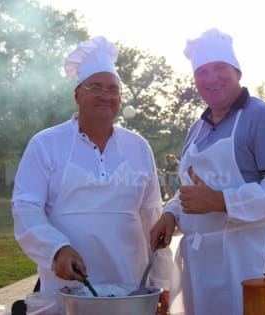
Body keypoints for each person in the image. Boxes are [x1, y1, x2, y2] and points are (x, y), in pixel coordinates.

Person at [11, 36, 172, 314]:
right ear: (77, 94)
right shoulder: (46, 144)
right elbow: (25, 208)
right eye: (95, 87)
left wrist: (162, 284)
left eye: (113, 89)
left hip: (131, 290)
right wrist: (57, 249)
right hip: (68, 291)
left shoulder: (139, 147)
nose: (105, 95)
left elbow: (152, 218)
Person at [150, 28, 265, 315]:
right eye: (202, 72)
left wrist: (220, 201)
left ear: (238, 71)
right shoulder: (197, 128)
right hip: (199, 261)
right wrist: (171, 214)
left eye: (220, 68)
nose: (211, 78)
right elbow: (191, 192)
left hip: (248, 259)